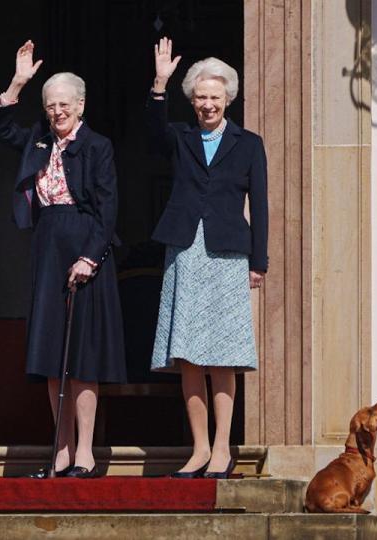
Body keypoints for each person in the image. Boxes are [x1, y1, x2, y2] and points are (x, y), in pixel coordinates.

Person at [0, 40, 126, 479]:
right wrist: (18, 83)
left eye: (64, 104)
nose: (56, 112)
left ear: (80, 105)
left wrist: (90, 257)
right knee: (52, 354)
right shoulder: (38, 139)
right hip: (48, 246)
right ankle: (61, 451)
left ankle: (86, 452)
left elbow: (108, 209)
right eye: (50, 105)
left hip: (87, 249)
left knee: (83, 356)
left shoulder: (98, 146)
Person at [146, 38, 268, 479]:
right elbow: (153, 133)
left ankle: (222, 449)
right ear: (192, 100)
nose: (208, 104)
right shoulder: (181, 137)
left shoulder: (249, 143)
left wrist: (260, 262)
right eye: (200, 96)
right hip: (186, 250)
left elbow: (262, 203)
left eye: (215, 97)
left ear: (228, 99)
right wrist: (159, 84)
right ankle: (198, 449)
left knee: (222, 355)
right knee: (190, 356)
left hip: (228, 252)